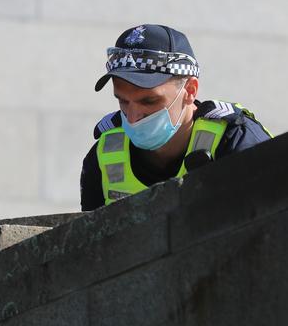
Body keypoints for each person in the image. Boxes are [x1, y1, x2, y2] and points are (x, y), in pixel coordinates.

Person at [81, 24, 272, 211]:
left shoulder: (236, 140)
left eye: (149, 101)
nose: (133, 117)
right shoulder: (104, 154)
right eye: (123, 101)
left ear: (190, 90)